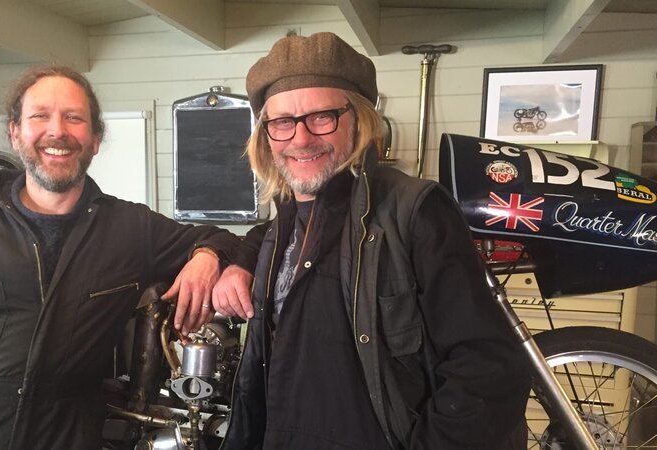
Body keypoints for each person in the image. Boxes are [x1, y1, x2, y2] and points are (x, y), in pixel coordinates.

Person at [0, 65, 239, 449]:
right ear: (15, 133)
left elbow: (224, 238)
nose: (57, 131)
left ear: (95, 139)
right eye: (40, 116)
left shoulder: (131, 228)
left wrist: (207, 257)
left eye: (74, 118)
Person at [212, 32, 530, 449]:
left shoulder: (415, 212)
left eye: (322, 116)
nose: (301, 138)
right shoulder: (280, 225)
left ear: (358, 120)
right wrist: (235, 261)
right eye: (283, 122)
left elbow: (488, 369)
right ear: (266, 136)